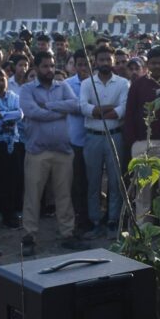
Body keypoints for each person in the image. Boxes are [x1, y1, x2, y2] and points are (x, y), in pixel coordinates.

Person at [19, 52, 86, 255]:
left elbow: (75, 105)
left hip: (63, 151)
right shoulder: (26, 89)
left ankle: (67, 233)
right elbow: (32, 112)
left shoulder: (62, 85)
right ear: (36, 67)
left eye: (51, 66)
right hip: (37, 151)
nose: (49, 70)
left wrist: (48, 105)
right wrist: (59, 111)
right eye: (45, 66)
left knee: (64, 195)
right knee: (33, 195)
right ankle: (29, 235)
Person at [80, 46, 130, 240]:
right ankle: (94, 221)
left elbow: (123, 108)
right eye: (101, 60)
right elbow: (83, 107)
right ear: (95, 61)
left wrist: (99, 111)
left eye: (108, 60)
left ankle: (112, 221)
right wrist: (108, 110)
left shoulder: (123, 83)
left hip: (115, 136)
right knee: (93, 182)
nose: (105, 63)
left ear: (113, 61)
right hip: (92, 137)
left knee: (115, 181)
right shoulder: (87, 83)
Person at [123, 47, 160, 226]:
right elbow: (129, 114)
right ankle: (142, 232)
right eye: (152, 63)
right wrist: (133, 143)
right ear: (147, 65)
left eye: (159, 63)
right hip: (142, 145)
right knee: (142, 192)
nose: (156, 66)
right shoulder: (138, 85)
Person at [0, 67, 23, 229]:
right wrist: (8, 114)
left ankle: (10, 213)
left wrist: (1, 114)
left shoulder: (14, 96)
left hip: (12, 142)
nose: (0, 83)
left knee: (12, 179)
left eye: (2, 79)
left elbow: (20, 114)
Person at [65, 49, 91, 233]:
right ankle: (79, 219)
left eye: (86, 64)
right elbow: (76, 107)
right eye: (79, 64)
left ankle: (91, 216)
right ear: (74, 65)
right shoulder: (66, 84)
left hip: (95, 138)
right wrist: (92, 108)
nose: (83, 68)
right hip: (75, 140)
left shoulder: (97, 84)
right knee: (77, 182)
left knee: (93, 182)